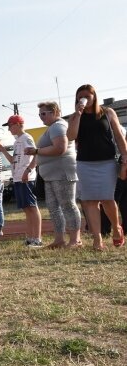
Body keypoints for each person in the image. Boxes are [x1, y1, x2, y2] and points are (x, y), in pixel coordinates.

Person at [67, 84, 127, 250]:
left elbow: (119, 136)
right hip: (84, 164)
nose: (83, 99)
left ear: (94, 96)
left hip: (106, 163)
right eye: (79, 96)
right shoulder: (74, 117)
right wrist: (78, 114)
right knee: (89, 201)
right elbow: (70, 136)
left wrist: (125, 157)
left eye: (87, 95)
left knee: (108, 199)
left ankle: (116, 228)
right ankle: (97, 239)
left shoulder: (107, 113)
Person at [30, 101, 81, 249]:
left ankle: (75, 240)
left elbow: (60, 148)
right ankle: (59, 239)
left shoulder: (58, 126)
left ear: (55, 112)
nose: (41, 117)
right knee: (53, 207)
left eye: (44, 114)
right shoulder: (53, 127)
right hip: (51, 175)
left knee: (67, 205)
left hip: (61, 173)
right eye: (40, 114)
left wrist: (36, 151)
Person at [0, 115, 43, 248]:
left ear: (18, 124)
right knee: (26, 208)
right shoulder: (17, 141)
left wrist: (27, 171)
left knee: (32, 207)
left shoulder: (26, 138)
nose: (9, 129)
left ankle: (37, 238)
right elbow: (13, 161)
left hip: (26, 178)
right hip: (18, 177)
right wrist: (1, 148)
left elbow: (36, 155)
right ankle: (30, 237)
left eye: (10, 126)